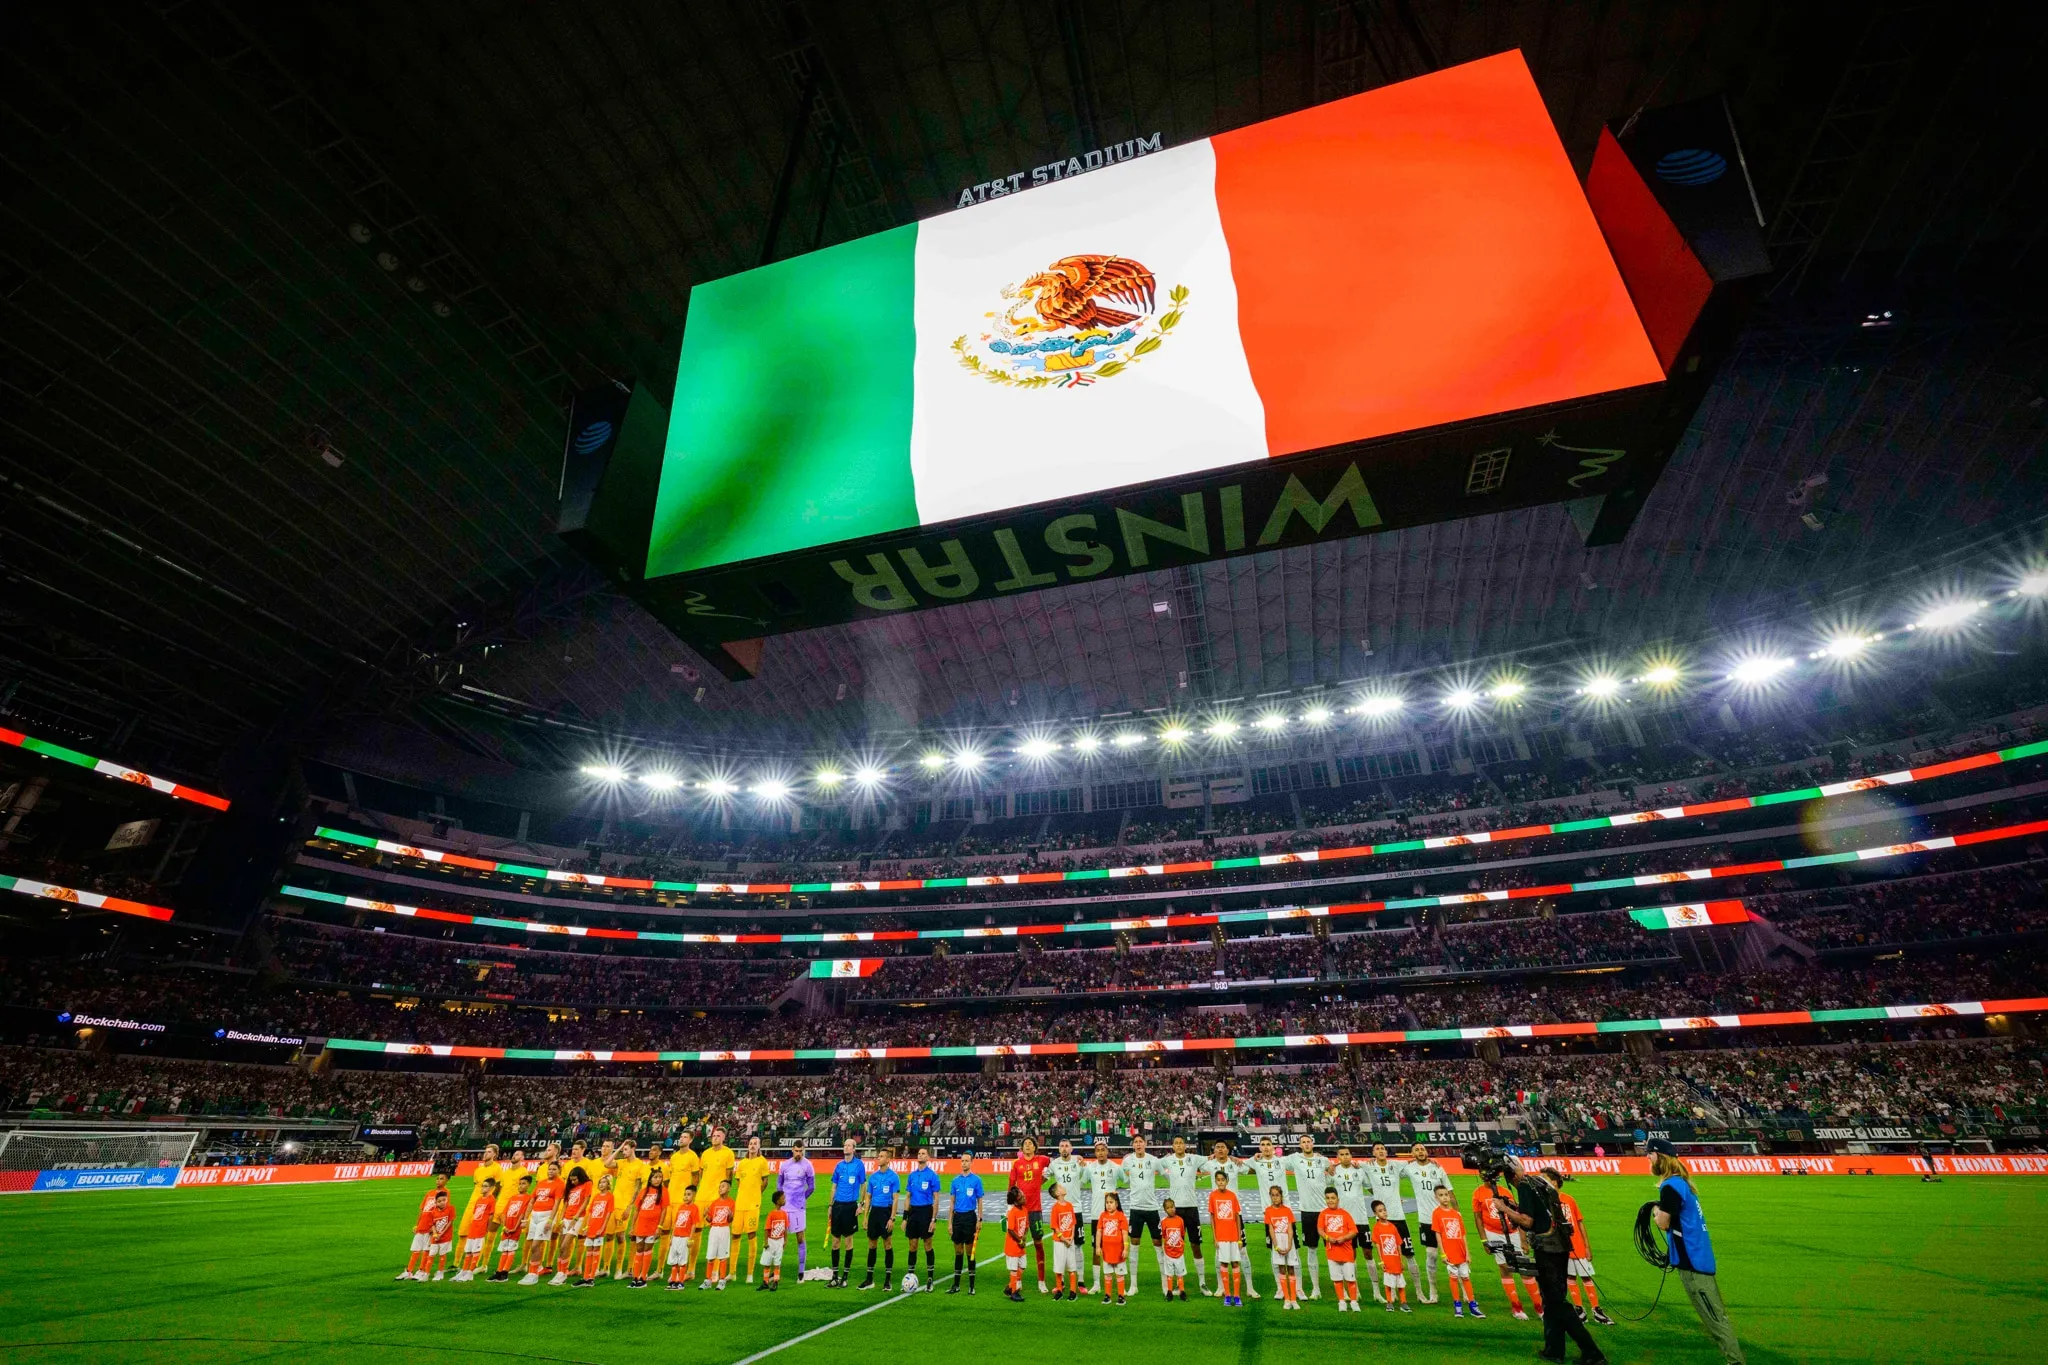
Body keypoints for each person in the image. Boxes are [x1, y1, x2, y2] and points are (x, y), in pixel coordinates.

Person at [1491, 1151, 1606, 1365]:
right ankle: (1554, 1350)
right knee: (1551, 1302)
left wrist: (1504, 1208)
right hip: (1559, 1246)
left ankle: (1593, 1353)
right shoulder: (1536, 1182)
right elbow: (1541, 1215)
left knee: (1557, 1303)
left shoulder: (1524, 1186)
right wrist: (1515, 1207)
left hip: (1548, 1251)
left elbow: (1526, 1221)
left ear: (1509, 1175)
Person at [1651, 1140, 1745, 1365]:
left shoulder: (1671, 1186)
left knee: (1715, 1319)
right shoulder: (1683, 1184)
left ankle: (1736, 1362)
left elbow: (1663, 1223)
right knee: (1715, 1317)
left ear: (1661, 1157)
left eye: (1650, 1154)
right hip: (1698, 1258)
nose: (1647, 1158)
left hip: (1692, 1263)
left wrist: (1655, 1211)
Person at [1542, 1169, 1613, 1326]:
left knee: (1586, 1276)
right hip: (1561, 1247)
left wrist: (1587, 1246)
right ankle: (1579, 1309)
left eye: (1544, 1178)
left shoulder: (1569, 1199)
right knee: (1570, 1277)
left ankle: (1596, 1309)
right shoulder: (1544, 1201)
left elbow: (1579, 1222)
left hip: (1578, 1246)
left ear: (1554, 1182)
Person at [1474, 1170, 1541, 1319]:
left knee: (1525, 1268)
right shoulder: (1478, 1193)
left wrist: (1523, 1239)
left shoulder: (1505, 1191)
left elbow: (1518, 1214)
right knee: (1504, 1267)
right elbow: (1478, 1218)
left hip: (1513, 1232)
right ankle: (1516, 1307)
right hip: (1493, 1233)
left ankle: (1539, 1307)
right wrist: (1484, 1240)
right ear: (1480, 1175)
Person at [1206, 1141, 1258, 1299]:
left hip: (1235, 1215)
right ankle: (1221, 1287)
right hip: (1218, 1216)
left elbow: (1251, 1168)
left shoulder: (1234, 1164)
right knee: (1218, 1251)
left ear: (1228, 1150)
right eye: (1217, 1147)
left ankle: (1250, 1287)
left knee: (1242, 1250)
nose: (1220, 1149)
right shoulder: (1209, 1164)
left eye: (1223, 1147)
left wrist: (1238, 1159)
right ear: (1214, 1150)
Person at [1403, 1143, 1454, 1304]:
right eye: (1416, 1150)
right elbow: (1387, 1169)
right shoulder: (1409, 1168)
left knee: (1454, 1256)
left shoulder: (1438, 1168)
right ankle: (1433, 1291)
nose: (1420, 1151)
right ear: (1412, 1153)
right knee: (1431, 1255)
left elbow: (1450, 1192)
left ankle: (1463, 1290)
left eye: (1422, 1149)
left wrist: (1456, 1213)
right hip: (1426, 1220)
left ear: (1426, 1151)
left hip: (1445, 1218)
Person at [1283, 1135, 1331, 1300]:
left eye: (1308, 1141)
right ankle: (1316, 1288)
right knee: (1312, 1249)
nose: (1306, 1144)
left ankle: (1342, 1287)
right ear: (1299, 1145)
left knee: (1332, 1250)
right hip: (1307, 1212)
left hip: (1325, 1211)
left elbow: (1333, 1171)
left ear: (1313, 1143)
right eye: (1303, 1142)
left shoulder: (1322, 1160)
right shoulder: (1294, 1159)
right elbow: (1274, 1161)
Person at [1161, 1137, 1210, 1296]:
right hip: (1175, 1211)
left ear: (1185, 1145)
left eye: (1181, 1143)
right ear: (1173, 1146)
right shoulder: (1168, 1160)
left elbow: (1211, 1158)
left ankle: (1202, 1283)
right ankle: (1177, 1284)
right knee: (1175, 1247)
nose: (1179, 1145)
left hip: (1192, 1209)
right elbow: (1153, 1163)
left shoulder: (1194, 1159)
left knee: (1196, 1245)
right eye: (1176, 1143)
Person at [1121, 1134, 1164, 1298]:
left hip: (1152, 1208)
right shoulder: (1127, 1160)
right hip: (1135, 1208)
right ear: (1133, 1145)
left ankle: (1165, 1284)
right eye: (1135, 1142)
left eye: (1140, 1142)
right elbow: (1123, 1178)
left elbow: (1165, 1174)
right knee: (1134, 1244)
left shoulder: (1153, 1160)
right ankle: (1133, 1285)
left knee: (1158, 1244)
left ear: (1145, 1144)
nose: (1138, 1144)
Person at [1431, 1186, 1482, 1318]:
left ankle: (1472, 1305)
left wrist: (1468, 1252)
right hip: (1449, 1252)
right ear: (1436, 1198)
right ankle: (1457, 1306)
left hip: (1461, 1251)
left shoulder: (1456, 1214)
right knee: (1453, 1278)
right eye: (1441, 1195)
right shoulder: (1437, 1213)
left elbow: (1463, 1234)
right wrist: (1443, 1253)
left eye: (1446, 1194)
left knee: (1466, 1277)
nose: (1445, 1197)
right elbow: (1438, 1235)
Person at [1011, 1137, 1053, 1294]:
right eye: (1025, 1144)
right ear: (1021, 1148)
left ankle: (1041, 1281)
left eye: (1030, 1144)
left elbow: (1055, 1164)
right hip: (1021, 1210)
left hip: (1035, 1210)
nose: (1027, 1146)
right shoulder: (1017, 1164)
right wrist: (1010, 1207)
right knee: (1019, 1244)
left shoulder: (1042, 1160)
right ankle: (1018, 1279)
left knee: (1038, 1243)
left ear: (1035, 1147)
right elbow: (1011, 1186)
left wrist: (1043, 1179)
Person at [1080, 1138, 1122, 1295]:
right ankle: (1097, 1283)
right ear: (1095, 1153)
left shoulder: (1115, 1168)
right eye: (1097, 1150)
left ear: (1107, 1151)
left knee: (1116, 1247)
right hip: (1096, 1214)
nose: (1100, 1153)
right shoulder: (1090, 1169)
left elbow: (1127, 1180)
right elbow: (1080, 1183)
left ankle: (1118, 1280)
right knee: (1096, 1249)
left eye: (1103, 1150)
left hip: (1113, 1215)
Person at [859, 1144, 901, 1291]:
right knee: (872, 1245)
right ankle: (869, 1279)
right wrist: (865, 1217)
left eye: (882, 1156)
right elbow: (868, 1197)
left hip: (886, 1213)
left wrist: (892, 1218)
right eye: (879, 1156)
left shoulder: (893, 1177)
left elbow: (895, 1199)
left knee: (887, 1244)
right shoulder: (873, 1177)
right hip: (874, 1213)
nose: (879, 1158)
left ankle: (887, 1280)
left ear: (888, 1159)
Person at [732, 1136, 772, 1284]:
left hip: (753, 1204)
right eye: (750, 1143)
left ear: (759, 1146)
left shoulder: (762, 1162)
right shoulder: (742, 1163)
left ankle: (749, 1274)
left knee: (751, 1234)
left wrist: (756, 1194)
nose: (752, 1146)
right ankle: (732, 1273)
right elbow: (738, 1182)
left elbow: (765, 1182)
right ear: (747, 1146)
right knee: (735, 1235)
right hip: (740, 1204)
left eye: (755, 1144)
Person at [828, 1138, 865, 1288]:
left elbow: (863, 1185)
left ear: (854, 1149)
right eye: (844, 1145)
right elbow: (833, 1187)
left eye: (849, 1145)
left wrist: (861, 1204)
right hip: (837, 1206)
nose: (846, 1147)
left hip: (850, 1206)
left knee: (848, 1241)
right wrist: (830, 1205)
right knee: (835, 1242)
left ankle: (845, 1277)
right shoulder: (839, 1166)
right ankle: (834, 1276)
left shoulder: (859, 1165)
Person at [520, 1160, 564, 1284]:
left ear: (559, 1171)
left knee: (536, 1245)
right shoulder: (541, 1183)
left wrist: (551, 1219)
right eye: (550, 1169)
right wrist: (525, 1218)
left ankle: (533, 1273)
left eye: (554, 1169)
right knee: (532, 1244)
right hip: (534, 1216)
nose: (551, 1171)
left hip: (546, 1216)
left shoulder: (560, 1184)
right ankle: (533, 1271)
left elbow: (557, 1203)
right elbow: (532, 1200)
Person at [778, 1141, 817, 1281]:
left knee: (800, 1237)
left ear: (803, 1150)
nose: (798, 1154)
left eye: (801, 1151)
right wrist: (781, 1201)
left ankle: (801, 1270)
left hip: (798, 1207)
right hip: (785, 1207)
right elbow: (779, 1184)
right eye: (796, 1151)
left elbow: (812, 1187)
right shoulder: (785, 1165)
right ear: (792, 1150)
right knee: (780, 1239)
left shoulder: (808, 1165)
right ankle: (776, 1269)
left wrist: (802, 1198)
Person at [1317, 1190, 1361, 1312]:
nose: (1330, 1200)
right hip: (1332, 1252)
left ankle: (1353, 1302)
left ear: (1338, 1199)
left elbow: (1354, 1231)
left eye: (1333, 1198)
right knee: (1337, 1279)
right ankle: (1341, 1301)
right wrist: (1327, 1238)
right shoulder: (1323, 1214)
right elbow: (1320, 1230)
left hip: (1346, 1252)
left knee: (1350, 1279)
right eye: (1328, 1198)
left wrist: (1344, 1238)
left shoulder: (1345, 1214)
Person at [905, 1147, 942, 1291]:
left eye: (923, 1154)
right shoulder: (912, 1176)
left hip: (926, 1212)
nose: (920, 1155)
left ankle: (930, 1278)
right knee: (912, 1245)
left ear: (928, 1158)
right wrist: (905, 1217)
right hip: (913, 1212)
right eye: (919, 1153)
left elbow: (936, 1199)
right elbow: (908, 1197)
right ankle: (909, 1278)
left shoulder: (932, 1176)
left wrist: (933, 1219)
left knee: (928, 1244)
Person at [1207, 1176, 1245, 1307]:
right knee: (1224, 1263)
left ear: (1227, 1181)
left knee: (1235, 1263)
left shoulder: (1232, 1196)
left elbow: (1237, 1217)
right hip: (1221, 1237)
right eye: (1218, 1180)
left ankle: (1237, 1295)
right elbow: (1212, 1218)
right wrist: (1215, 1237)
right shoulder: (1212, 1196)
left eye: (1223, 1180)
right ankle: (1228, 1295)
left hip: (1233, 1236)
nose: (1221, 1182)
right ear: (1216, 1182)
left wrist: (1239, 1237)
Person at [1262, 1184, 1301, 1310]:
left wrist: (1290, 1244)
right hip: (1277, 1242)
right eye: (1272, 1195)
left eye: (1277, 1195)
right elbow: (1271, 1230)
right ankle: (1287, 1299)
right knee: (1282, 1270)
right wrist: (1276, 1245)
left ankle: (1294, 1299)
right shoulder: (1268, 1211)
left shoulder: (1287, 1210)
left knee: (1291, 1269)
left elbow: (1290, 1229)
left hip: (1288, 1241)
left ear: (1281, 1196)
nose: (1275, 1198)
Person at [947, 1161, 984, 1294]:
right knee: (958, 1252)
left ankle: (971, 1286)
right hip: (957, 1218)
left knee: (970, 1252)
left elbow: (980, 1200)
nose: (964, 1163)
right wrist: (950, 1222)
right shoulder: (955, 1181)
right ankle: (956, 1285)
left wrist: (979, 1219)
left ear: (971, 1163)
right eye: (962, 1161)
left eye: (966, 1161)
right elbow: (952, 1202)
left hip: (970, 1218)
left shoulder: (976, 1180)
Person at [550, 1169, 592, 1285]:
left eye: (575, 1180)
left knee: (565, 1245)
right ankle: (560, 1272)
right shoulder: (571, 1188)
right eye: (571, 1180)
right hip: (567, 1218)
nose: (573, 1182)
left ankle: (563, 1273)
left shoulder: (587, 1184)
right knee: (561, 1247)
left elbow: (585, 1202)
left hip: (577, 1219)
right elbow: (566, 1204)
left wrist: (576, 1217)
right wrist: (562, 1219)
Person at [628, 1168, 669, 1287]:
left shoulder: (664, 1192)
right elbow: (637, 1210)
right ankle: (635, 1277)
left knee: (647, 1250)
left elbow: (664, 1210)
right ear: (650, 1179)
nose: (658, 1180)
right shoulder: (643, 1191)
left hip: (653, 1226)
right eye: (655, 1177)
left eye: (660, 1177)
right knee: (639, 1249)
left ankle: (643, 1277)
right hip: (641, 1225)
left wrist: (659, 1226)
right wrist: (632, 1226)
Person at [400, 1190, 452, 1282]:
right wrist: (417, 1224)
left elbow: (444, 1215)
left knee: (426, 1250)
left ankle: (422, 1270)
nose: (438, 1180)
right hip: (421, 1226)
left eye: (441, 1178)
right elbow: (422, 1209)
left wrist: (435, 1230)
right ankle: (409, 1272)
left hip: (430, 1229)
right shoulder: (430, 1193)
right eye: (437, 1178)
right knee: (416, 1250)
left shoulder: (445, 1194)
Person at [455, 1178, 499, 1281]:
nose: (482, 1188)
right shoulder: (479, 1199)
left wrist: (487, 1229)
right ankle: (464, 1271)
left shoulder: (491, 1199)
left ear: (491, 1188)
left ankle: (470, 1273)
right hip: (473, 1228)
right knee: (468, 1251)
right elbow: (475, 1214)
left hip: (481, 1229)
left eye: (485, 1186)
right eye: (482, 1185)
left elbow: (491, 1216)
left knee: (475, 1251)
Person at [1370, 1200, 1410, 1313]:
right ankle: (1389, 1302)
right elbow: (1378, 1246)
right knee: (1388, 1283)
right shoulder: (1377, 1228)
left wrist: (1401, 1260)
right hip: (1387, 1261)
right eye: (1380, 1211)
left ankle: (1403, 1303)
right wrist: (1381, 1262)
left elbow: (1398, 1244)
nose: (1384, 1212)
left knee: (1400, 1283)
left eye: (1384, 1210)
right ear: (1375, 1214)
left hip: (1396, 1260)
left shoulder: (1392, 1227)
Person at [492, 1175, 532, 1282]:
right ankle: (499, 1271)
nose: (520, 1186)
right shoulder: (513, 1198)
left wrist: (515, 1227)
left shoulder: (528, 1198)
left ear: (529, 1185)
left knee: (511, 1249)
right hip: (507, 1227)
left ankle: (505, 1272)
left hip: (515, 1228)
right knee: (504, 1249)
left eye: (523, 1184)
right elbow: (504, 1213)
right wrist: (505, 1226)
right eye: (520, 1183)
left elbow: (522, 1214)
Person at [578, 1175, 616, 1287]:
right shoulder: (596, 1197)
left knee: (596, 1251)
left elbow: (608, 1213)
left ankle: (591, 1277)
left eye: (604, 1182)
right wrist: (586, 1227)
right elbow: (590, 1212)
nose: (601, 1184)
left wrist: (602, 1228)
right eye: (600, 1182)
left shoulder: (610, 1197)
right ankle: (585, 1277)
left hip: (599, 1228)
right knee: (589, 1251)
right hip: (591, 1227)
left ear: (608, 1184)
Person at [1049, 1182, 1082, 1299]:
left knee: (1072, 1267)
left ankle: (1073, 1291)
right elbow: (1055, 1227)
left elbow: (1073, 1223)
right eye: (1061, 1187)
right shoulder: (1055, 1208)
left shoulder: (1069, 1205)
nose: (1063, 1188)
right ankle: (1059, 1290)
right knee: (1059, 1267)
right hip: (1060, 1242)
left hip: (1069, 1240)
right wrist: (1064, 1239)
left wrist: (1071, 1237)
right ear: (1058, 1193)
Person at [703, 1179, 737, 1290]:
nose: (720, 1188)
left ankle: (722, 1281)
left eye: (723, 1186)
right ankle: (707, 1281)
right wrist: (705, 1215)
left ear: (729, 1189)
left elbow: (730, 1219)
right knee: (710, 1255)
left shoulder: (731, 1203)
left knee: (723, 1256)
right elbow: (710, 1219)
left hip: (724, 1229)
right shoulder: (714, 1203)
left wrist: (731, 1215)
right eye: (719, 1186)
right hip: (714, 1229)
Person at [665, 1185, 701, 1288]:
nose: (686, 1197)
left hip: (685, 1237)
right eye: (685, 1194)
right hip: (676, 1236)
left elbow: (694, 1224)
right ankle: (673, 1281)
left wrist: (690, 1238)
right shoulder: (680, 1207)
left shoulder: (694, 1208)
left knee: (682, 1260)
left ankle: (680, 1282)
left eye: (688, 1195)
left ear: (694, 1196)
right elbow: (676, 1223)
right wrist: (671, 1237)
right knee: (673, 1260)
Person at [1097, 1192, 1130, 1304]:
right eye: (1107, 1202)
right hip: (1107, 1252)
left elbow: (1125, 1233)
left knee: (1119, 1274)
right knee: (1107, 1274)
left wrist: (1125, 1248)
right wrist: (1098, 1246)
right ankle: (1107, 1295)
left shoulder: (1121, 1216)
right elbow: (1099, 1232)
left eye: (1111, 1202)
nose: (1109, 1205)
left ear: (1116, 1203)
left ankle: (1121, 1296)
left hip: (1119, 1252)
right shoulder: (1103, 1216)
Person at [1003, 1186, 1031, 1302]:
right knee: (1014, 1269)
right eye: (1021, 1197)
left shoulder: (1024, 1209)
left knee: (1023, 1266)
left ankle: (1010, 1286)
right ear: (1015, 1201)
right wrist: (1019, 1241)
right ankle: (1014, 1292)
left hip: (1020, 1245)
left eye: (1023, 1196)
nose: (1024, 1198)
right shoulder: (1012, 1212)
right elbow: (1010, 1230)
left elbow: (1026, 1226)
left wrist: (1024, 1237)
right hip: (1012, 1246)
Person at [1160, 1198, 1190, 1301]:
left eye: (1172, 1207)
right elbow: (1164, 1236)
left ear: (1175, 1207)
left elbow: (1182, 1234)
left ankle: (1182, 1291)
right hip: (1168, 1253)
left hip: (1179, 1253)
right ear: (1165, 1210)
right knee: (1169, 1273)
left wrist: (1180, 1246)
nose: (1171, 1209)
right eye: (1168, 1208)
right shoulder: (1164, 1222)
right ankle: (1169, 1292)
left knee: (1180, 1273)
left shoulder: (1180, 1220)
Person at [760, 1189, 790, 1291]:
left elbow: (785, 1228)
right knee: (767, 1263)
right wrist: (766, 1242)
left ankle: (775, 1282)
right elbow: (766, 1229)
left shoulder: (784, 1214)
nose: (784, 1200)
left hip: (780, 1241)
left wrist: (785, 1240)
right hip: (771, 1241)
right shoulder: (771, 1214)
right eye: (783, 1198)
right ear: (778, 1201)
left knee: (777, 1263)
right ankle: (765, 1282)